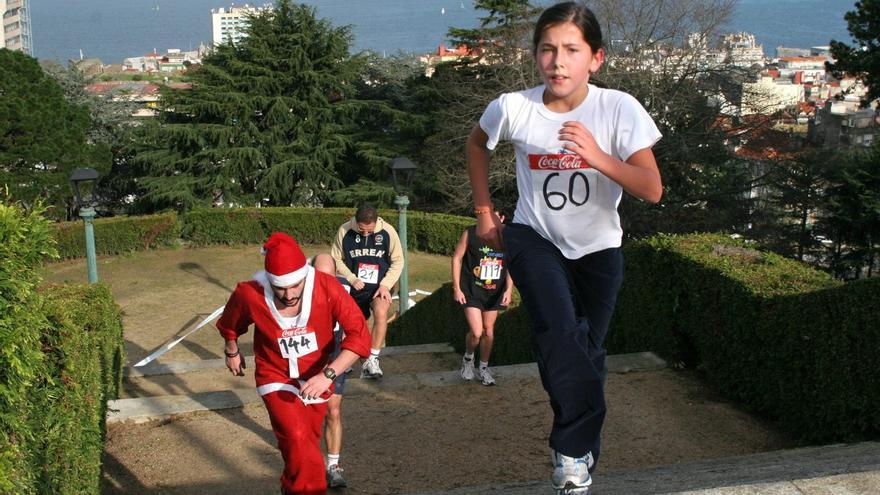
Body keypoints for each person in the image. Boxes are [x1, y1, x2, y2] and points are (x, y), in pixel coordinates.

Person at [465, 2, 663, 493]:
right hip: (535, 237)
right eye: (547, 49)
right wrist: (485, 211)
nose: (558, 61)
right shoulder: (513, 107)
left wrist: (596, 155)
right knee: (558, 329)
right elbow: (476, 145)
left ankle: (577, 447)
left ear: (595, 58)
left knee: (585, 352)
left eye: (571, 50)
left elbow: (651, 188)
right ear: (535, 56)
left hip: (598, 248)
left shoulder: (619, 108)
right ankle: (573, 454)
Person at [217, 233, 371, 495]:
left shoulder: (326, 287)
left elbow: (360, 335)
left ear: (305, 275)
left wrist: (329, 374)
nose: (288, 295)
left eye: (295, 286)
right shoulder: (250, 293)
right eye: (280, 288)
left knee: (306, 442)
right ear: (269, 282)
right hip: (274, 374)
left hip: (316, 375)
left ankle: (291, 487)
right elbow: (229, 324)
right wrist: (232, 351)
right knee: (298, 438)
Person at [331, 205, 403, 379]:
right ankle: (345, 358)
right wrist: (350, 277)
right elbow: (335, 258)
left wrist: (385, 284)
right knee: (350, 324)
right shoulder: (345, 230)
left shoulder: (388, 231)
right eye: (361, 230)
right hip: (354, 287)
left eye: (369, 231)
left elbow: (398, 261)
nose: (365, 234)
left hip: (379, 287)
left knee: (380, 312)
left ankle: (373, 359)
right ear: (356, 222)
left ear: (376, 222)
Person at [451, 216, 514, 386]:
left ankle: (484, 368)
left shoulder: (505, 236)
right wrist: (456, 287)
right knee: (477, 332)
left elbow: (511, 264)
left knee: (488, 331)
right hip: (471, 290)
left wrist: (509, 289)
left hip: (494, 291)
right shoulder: (470, 233)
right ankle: (468, 358)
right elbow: (457, 258)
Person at [311, 253, 352, 488]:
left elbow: (352, 321)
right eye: (319, 275)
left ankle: (333, 466)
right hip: (306, 357)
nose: (324, 281)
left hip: (335, 354)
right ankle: (306, 461)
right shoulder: (297, 290)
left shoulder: (343, 287)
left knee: (333, 410)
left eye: (329, 276)